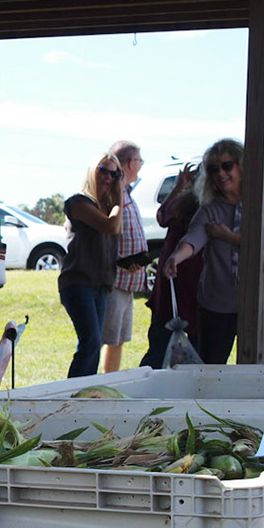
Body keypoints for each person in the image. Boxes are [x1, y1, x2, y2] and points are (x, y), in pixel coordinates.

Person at [159, 138, 264, 365]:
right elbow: (193, 238)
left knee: (252, 372)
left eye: (227, 166)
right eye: (213, 169)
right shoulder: (210, 208)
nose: (221, 173)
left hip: (259, 304)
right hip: (216, 306)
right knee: (211, 369)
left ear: (242, 166)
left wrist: (230, 237)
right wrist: (176, 258)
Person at [56, 152, 146, 378]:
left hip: (101, 285)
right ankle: (70, 394)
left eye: (114, 174)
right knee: (91, 342)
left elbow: (102, 246)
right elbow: (109, 227)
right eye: (102, 170)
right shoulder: (78, 203)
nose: (108, 177)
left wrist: (124, 264)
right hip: (77, 284)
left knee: (92, 345)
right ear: (91, 171)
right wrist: (118, 200)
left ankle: (84, 391)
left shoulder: (109, 207)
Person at [139, 167, 202, 368]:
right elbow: (162, 216)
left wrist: (179, 187)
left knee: (163, 345)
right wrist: (178, 188)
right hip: (177, 281)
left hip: (181, 284)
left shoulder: (209, 206)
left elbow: (162, 216)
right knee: (162, 347)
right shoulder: (189, 203)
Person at [100, 140, 149, 372]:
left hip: (127, 278)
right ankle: (98, 382)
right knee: (107, 336)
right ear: (131, 162)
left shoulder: (128, 191)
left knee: (118, 337)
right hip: (115, 277)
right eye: (139, 160)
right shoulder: (113, 192)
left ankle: (110, 381)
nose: (141, 165)